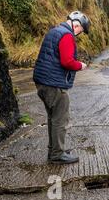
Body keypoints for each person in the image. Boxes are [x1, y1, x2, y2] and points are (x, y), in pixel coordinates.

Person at [33, 11, 90, 165]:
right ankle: (58, 154)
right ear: (76, 25)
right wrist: (81, 66)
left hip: (42, 81)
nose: (79, 33)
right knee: (60, 118)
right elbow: (67, 61)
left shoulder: (54, 31)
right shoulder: (67, 35)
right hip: (54, 84)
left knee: (53, 117)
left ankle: (54, 150)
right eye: (81, 30)